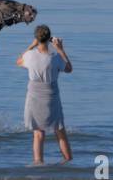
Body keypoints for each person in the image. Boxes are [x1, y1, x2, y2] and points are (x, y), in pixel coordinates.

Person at [16, 24, 73, 165]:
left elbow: (19, 61)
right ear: (49, 39)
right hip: (51, 95)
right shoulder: (55, 58)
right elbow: (69, 68)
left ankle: (38, 162)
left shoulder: (29, 55)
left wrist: (32, 45)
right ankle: (67, 160)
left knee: (38, 132)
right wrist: (60, 49)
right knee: (59, 129)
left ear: (37, 38)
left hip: (34, 95)